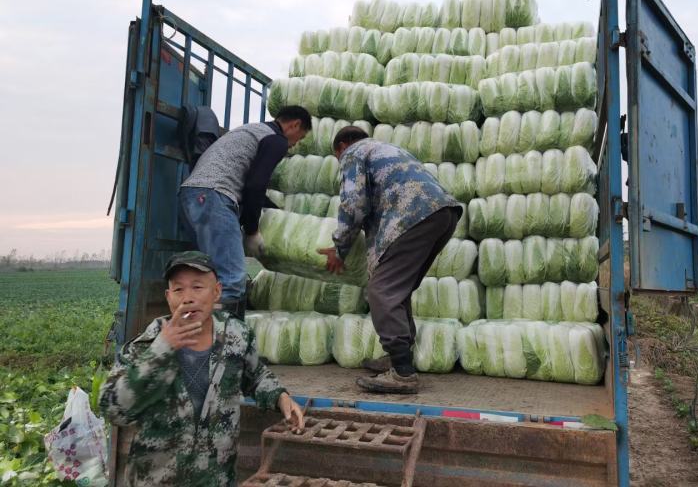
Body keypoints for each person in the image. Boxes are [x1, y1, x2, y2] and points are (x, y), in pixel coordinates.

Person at [99, 251, 304, 487]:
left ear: (216, 291)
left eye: (197, 287)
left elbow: (255, 375)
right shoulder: (146, 345)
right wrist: (161, 351)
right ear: (168, 297)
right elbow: (113, 408)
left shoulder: (235, 336)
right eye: (178, 290)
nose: (188, 298)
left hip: (215, 479)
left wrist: (280, 396)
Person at [318, 127, 462, 394]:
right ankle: (398, 358)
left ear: (343, 145)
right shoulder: (386, 150)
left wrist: (340, 249)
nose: (340, 161)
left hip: (412, 215)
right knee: (398, 288)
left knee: (382, 291)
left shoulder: (354, 152)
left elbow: (353, 204)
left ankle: (403, 374)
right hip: (442, 213)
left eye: (337, 155)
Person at [179, 106, 311, 319]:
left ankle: (198, 338)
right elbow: (255, 186)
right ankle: (223, 346)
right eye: (300, 137)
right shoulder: (276, 140)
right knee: (232, 280)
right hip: (216, 196)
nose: (296, 144)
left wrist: (277, 212)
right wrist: (252, 230)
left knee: (210, 278)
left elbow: (252, 188)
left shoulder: (252, 130)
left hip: (192, 195)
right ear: (294, 125)